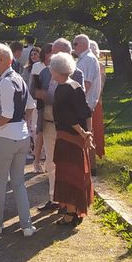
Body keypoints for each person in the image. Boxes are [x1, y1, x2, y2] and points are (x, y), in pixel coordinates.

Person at [0, 44, 36, 236]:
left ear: (9, 60)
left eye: (0, 59)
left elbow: (6, 115)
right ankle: (27, 225)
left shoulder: (5, 82)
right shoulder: (19, 79)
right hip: (21, 135)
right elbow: (30, 106)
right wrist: (23, 123)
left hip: (6, 137)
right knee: (19, 183)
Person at [32, 38, 84, 211]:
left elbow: (77, 103)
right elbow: (35, 92)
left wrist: (49, 97)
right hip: (47, 123)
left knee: (65, 164)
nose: (50, 55)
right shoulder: (45, 72)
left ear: (66, 52)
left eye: (55, 52)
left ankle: (67, 201)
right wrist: (37, 93)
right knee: (51, 163)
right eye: (51, 52)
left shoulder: (76, 73)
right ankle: (54, 198)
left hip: (66, 127)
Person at [51, 52, 94, 226]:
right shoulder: (76, 85)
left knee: (67, 174)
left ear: (56, 70)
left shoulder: (62, 88)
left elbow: (67, 117)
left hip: (67, 138)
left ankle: (70, 213)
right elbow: (86, 112)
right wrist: (87, 133)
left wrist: (83, 133)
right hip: (77, 138)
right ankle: (76, 209)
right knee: (77, 173)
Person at [73, 34, 102, 171]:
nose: (74, 47)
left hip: (85, 104)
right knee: (86, 135)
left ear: (82, 44)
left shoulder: (88, 60)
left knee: (86, 136)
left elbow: (86, 84)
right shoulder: (85, 59)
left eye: (75, 44)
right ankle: (88, 167)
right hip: (85, 103)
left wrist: (74, 102)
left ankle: (90, 168)